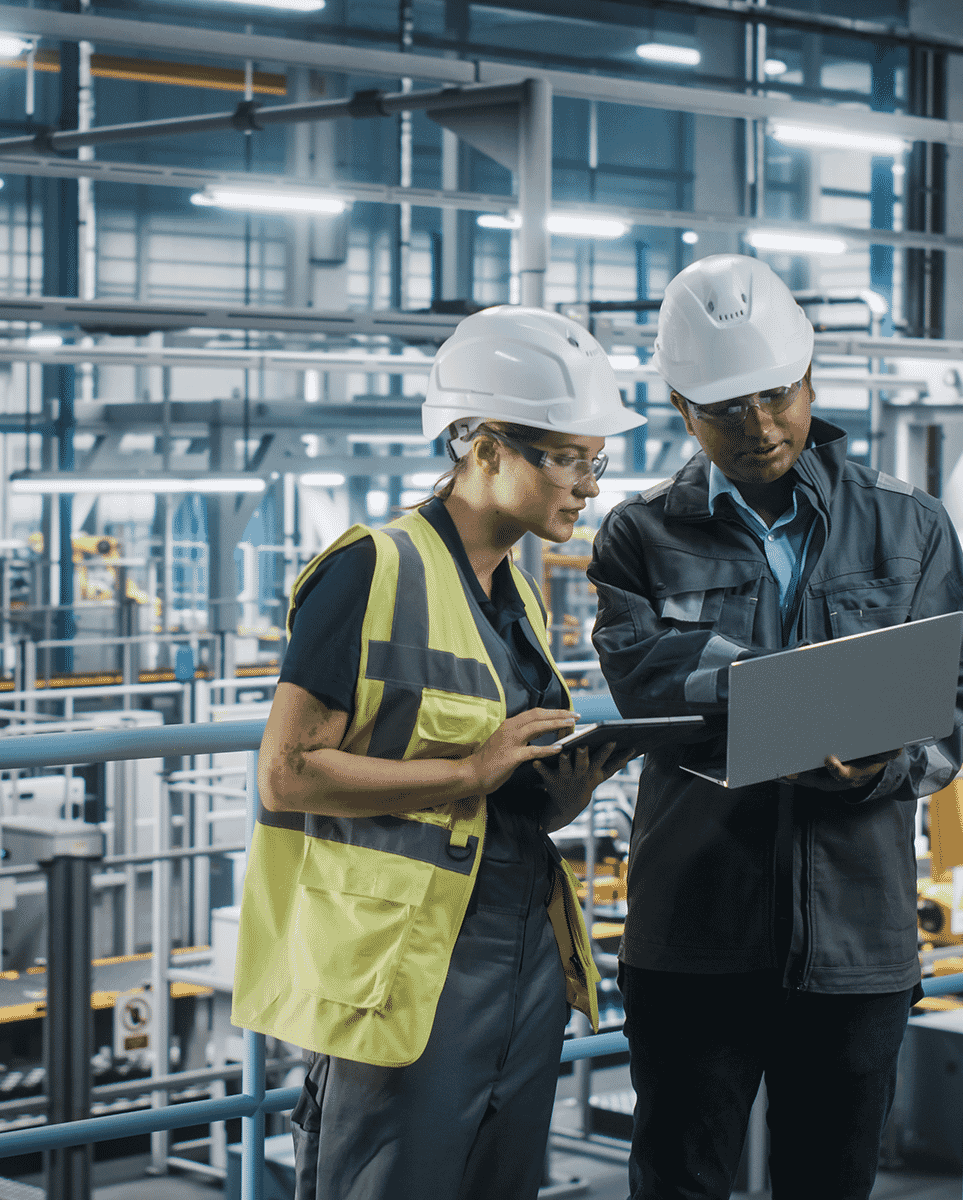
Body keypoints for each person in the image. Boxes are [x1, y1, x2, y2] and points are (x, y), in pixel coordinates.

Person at [587, 254, 963, 1200]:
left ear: (811, 378)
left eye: (777, 396)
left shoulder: (909, 525)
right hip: (695, 934)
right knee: (680, 1182)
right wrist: (826, 702)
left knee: (831, 1181)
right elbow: (653, 689)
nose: (761, 426)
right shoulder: (637, 538)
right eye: (726, 408)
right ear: (682, 408)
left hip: (857, 938)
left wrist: (889, 761)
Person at [232, 306, 647, 1200]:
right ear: (485, 446)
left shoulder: (521, 598)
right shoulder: (370, 569)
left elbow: (504, 777)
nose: (588, 485)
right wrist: (469, 771)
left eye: (595, 461)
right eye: (569, 459)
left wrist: (561, 787)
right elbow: (287, 769)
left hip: (522, 941)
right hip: (406, 959)